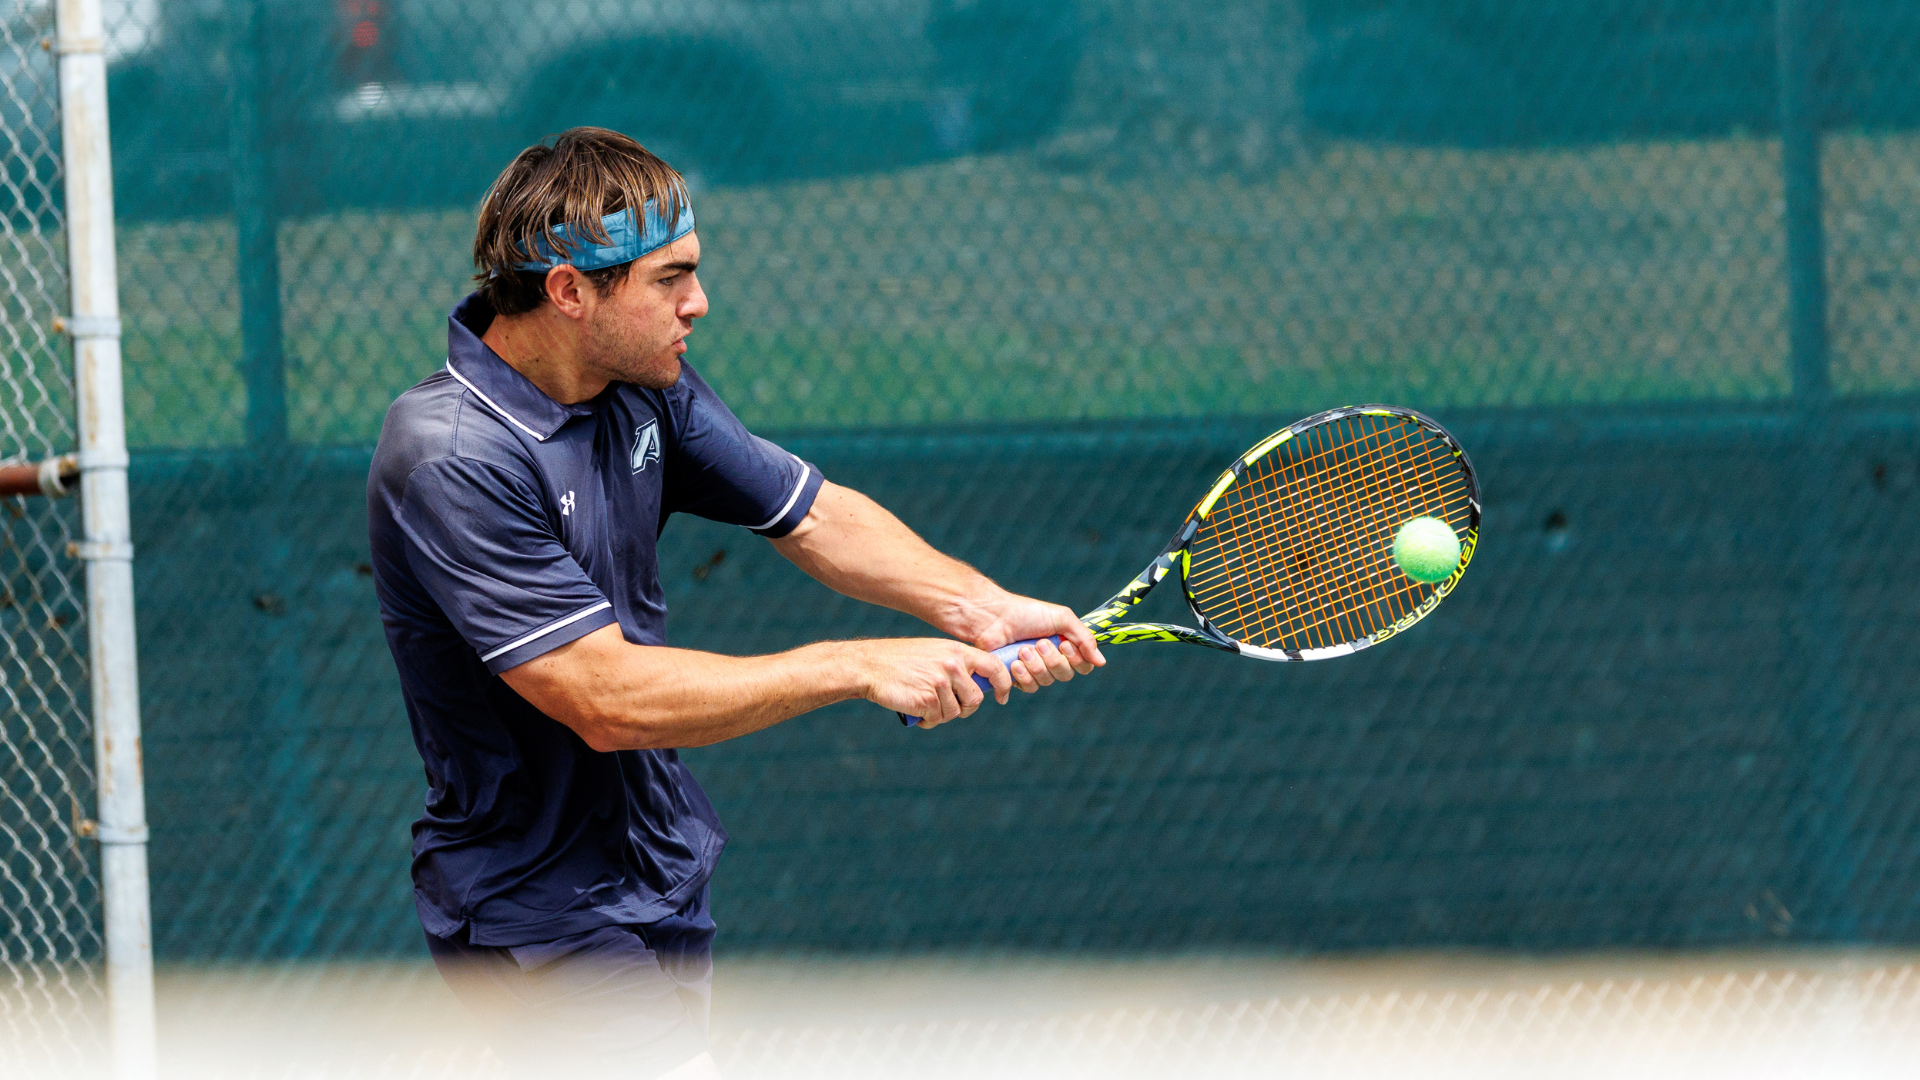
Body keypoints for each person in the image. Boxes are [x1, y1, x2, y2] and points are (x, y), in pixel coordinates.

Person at [366, 127, 1103, 1078]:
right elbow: (603, 698)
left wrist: (981, 607)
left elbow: (811, 514)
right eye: (668, 280)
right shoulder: (454, 452)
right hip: (534, 900)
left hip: (657, 862)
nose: (697, 303)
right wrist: (858, 664)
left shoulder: (639, 384)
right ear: (570, 292)